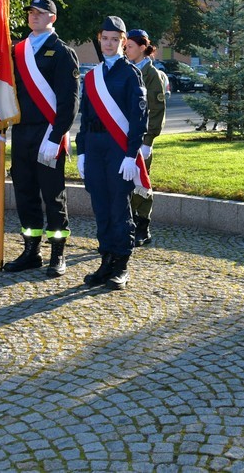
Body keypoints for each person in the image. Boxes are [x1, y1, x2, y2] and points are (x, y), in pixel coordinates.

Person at [1, 0, 80, 277]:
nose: (34, 16)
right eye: (31, 12)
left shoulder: (62, 52)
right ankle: (31, 251)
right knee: (25, 193)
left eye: (40, 13)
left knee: (53, 195)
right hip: (22, 131)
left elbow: (69, 101)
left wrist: (56, 136)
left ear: (52, 18)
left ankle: (58, 253)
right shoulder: (17, 50)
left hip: (48, 132)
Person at [75, 16, 148, 290]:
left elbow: (139, 118)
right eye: (105, 38)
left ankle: (121, 264)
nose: (109, 43)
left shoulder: (130, 74)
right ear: (99, 39)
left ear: (123, 42)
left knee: (119, 207)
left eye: (115, 39)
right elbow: (85, 117)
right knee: (101, 207)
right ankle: (105, 260)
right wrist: (81, 151)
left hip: (118, 149)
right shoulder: (92, 76)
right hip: (95, 147)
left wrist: (131, 154)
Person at [124, 29, 166, 246]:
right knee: (125, 181)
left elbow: (157, 110)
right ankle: (127, 224)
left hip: (142, 139)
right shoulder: (126, 69)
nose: (126, 50)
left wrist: (148, 141)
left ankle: (142, 227)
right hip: (124, 136)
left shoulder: (151, 75)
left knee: (141, 181)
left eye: (130, 46)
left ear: (142, 48)